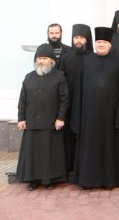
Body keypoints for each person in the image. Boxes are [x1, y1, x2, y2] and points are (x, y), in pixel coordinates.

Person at [70, 27, 119, 189]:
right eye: (98, 42)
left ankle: (109, 181)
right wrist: (78, 117)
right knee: (90, 148)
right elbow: (78, 90)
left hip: (111, 115)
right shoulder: (86, 61)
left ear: (110, 44)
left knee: (110, 148)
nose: (101, 45)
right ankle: (88, 181)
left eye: (104, 42)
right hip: (89, 116)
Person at [16, 44, 69, 190]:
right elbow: (22, 100)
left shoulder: (59, 77)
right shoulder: (28, 77)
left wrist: (60, 118)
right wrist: (21, 119)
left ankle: (50, 180)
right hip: (32, 122)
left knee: (49, 153)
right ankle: (33, 180)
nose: (41, 61)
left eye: (44, 58)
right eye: (39, 58)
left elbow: (64, 99)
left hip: (50, 122)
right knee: (33, 153)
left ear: (51, 60)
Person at [57, 24, 92, 176]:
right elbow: (60, 80)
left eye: (82, 38)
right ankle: (68, 166)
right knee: (68, 134)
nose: (78, 40)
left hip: (87, 102)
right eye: (76, 37)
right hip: (69, 102)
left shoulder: (92, 57)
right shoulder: (66, 58)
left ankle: (82, 166)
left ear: (87, 40)